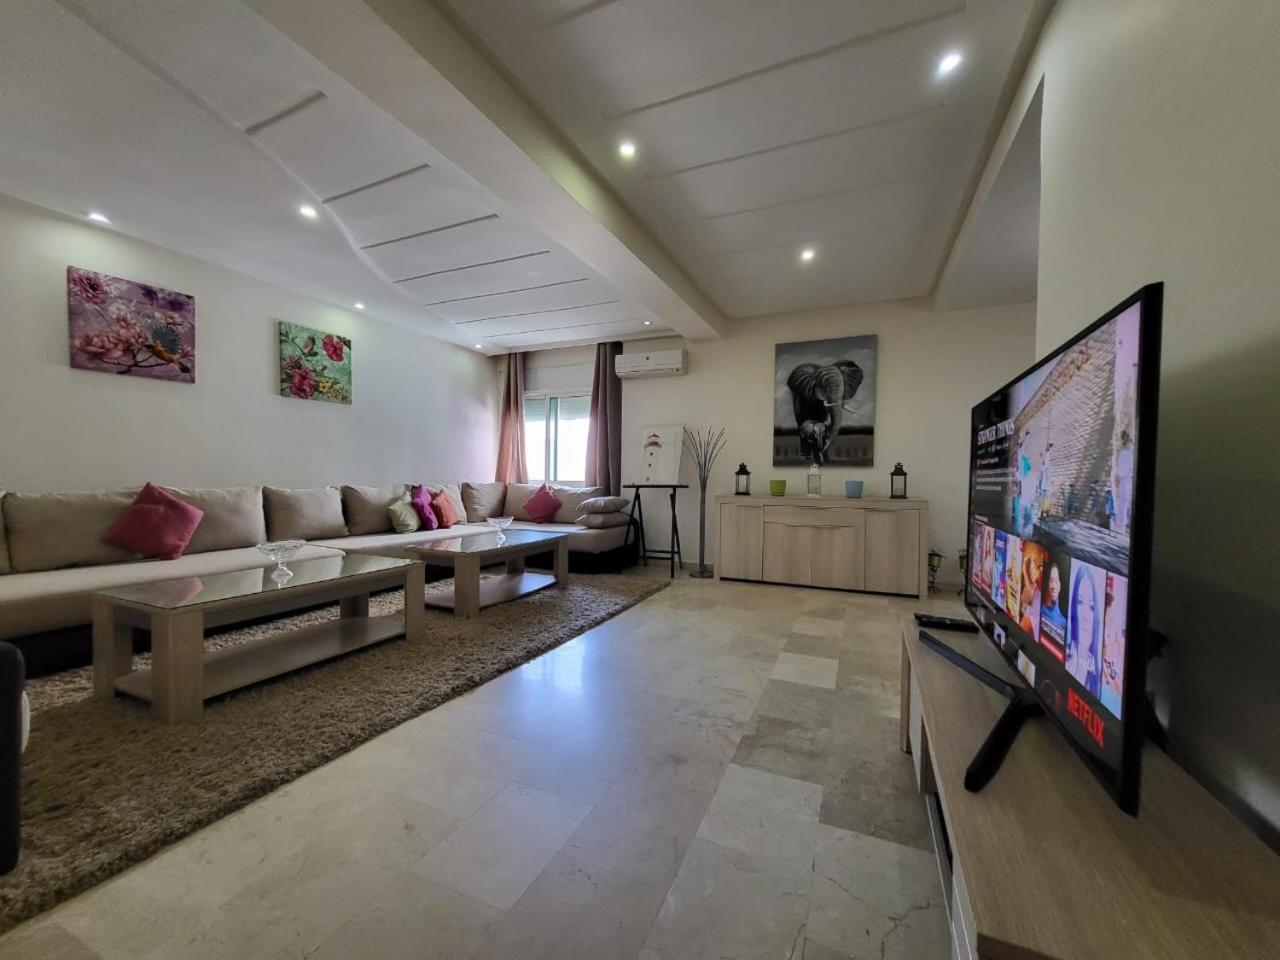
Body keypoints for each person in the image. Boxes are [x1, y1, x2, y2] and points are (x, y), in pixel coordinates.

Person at [1067, 567, 1101, 697]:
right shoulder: (1064, 656)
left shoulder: (1098, 678)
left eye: (1092, 607)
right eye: (1080, 602)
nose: (1086, 615)